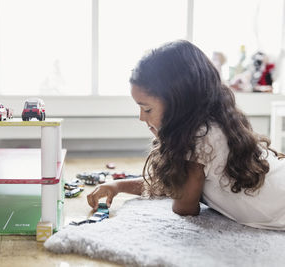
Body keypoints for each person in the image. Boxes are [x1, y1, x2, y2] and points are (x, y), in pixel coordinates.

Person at [87, 40, 285, 230]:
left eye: (146, 109)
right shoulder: (215, 122)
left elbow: (184, 208)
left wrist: (167, 149)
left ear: (179, 104)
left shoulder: (199, 138)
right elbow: (168, 183)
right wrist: (118, 185)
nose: (141, 118)